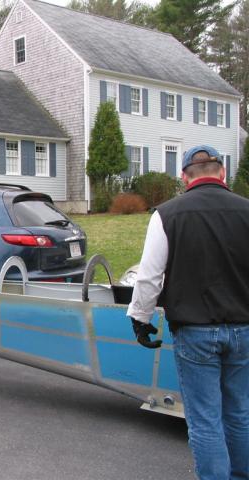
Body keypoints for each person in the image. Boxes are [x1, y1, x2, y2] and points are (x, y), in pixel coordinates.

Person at [127, 145, 249, 480]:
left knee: (205, 419)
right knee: (240, 412)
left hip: (195, 331)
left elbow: (149, 276)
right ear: (223, 173)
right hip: (243, 328)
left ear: (184, 177)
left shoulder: (167, 215)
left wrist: (140, 318)